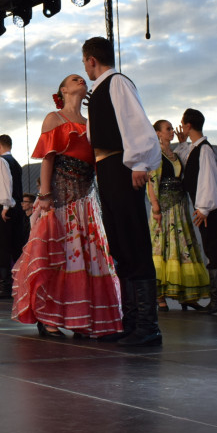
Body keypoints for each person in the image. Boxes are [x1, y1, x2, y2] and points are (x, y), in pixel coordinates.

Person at [12, 74, 122, 338]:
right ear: (63, 89)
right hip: (60, 195)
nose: (81, 80)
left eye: (83, 78)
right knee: (59, 253)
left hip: (86, 197)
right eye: (74, 79)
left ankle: (82, 319)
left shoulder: (91, 122)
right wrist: (45, 194)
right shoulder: (54, 118)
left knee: (85, 255)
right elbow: (48, 160)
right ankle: (49, 317)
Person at [81, 36, 162, 346]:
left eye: (85, 62)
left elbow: (136, 123)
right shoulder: (100, 89)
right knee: (119, 242)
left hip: (123, 166)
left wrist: (140, 163)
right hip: (108, 169)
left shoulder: (117, 82)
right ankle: (130, 321)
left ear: (91, 60)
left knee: (134, 239)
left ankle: (147, 325)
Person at [175, 109, 217, 315]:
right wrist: (182, 143)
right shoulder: (194, 148)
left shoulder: (204, 149)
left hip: (210, 209)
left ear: (188, 125)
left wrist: (204, 208)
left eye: (183, 124)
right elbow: (185, 163)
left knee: (216, 251)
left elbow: (207, 179)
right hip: (206, 208)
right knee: (211, 250)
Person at [147, 120, 209, 311]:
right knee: (164, 247)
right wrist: (156, 206)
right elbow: (151, 181)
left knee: (183, 246)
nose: (172, 131)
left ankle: (186, 296)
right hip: (164, 207)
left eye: (172, 128)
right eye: (168, 129)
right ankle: (159, 296)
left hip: (180, 207)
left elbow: (185, 162)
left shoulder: (174, 154)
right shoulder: (154, 153)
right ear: (158, 133)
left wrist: (182, 143)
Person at [0, 134, 26, 298]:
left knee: (2, 246)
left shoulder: (0, 161)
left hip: (6, 207)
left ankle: (5, 287)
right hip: (18, 207)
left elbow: (5, 183)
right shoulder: (17, 163)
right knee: (16, 246)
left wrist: (5, 206)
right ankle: (20, 283)